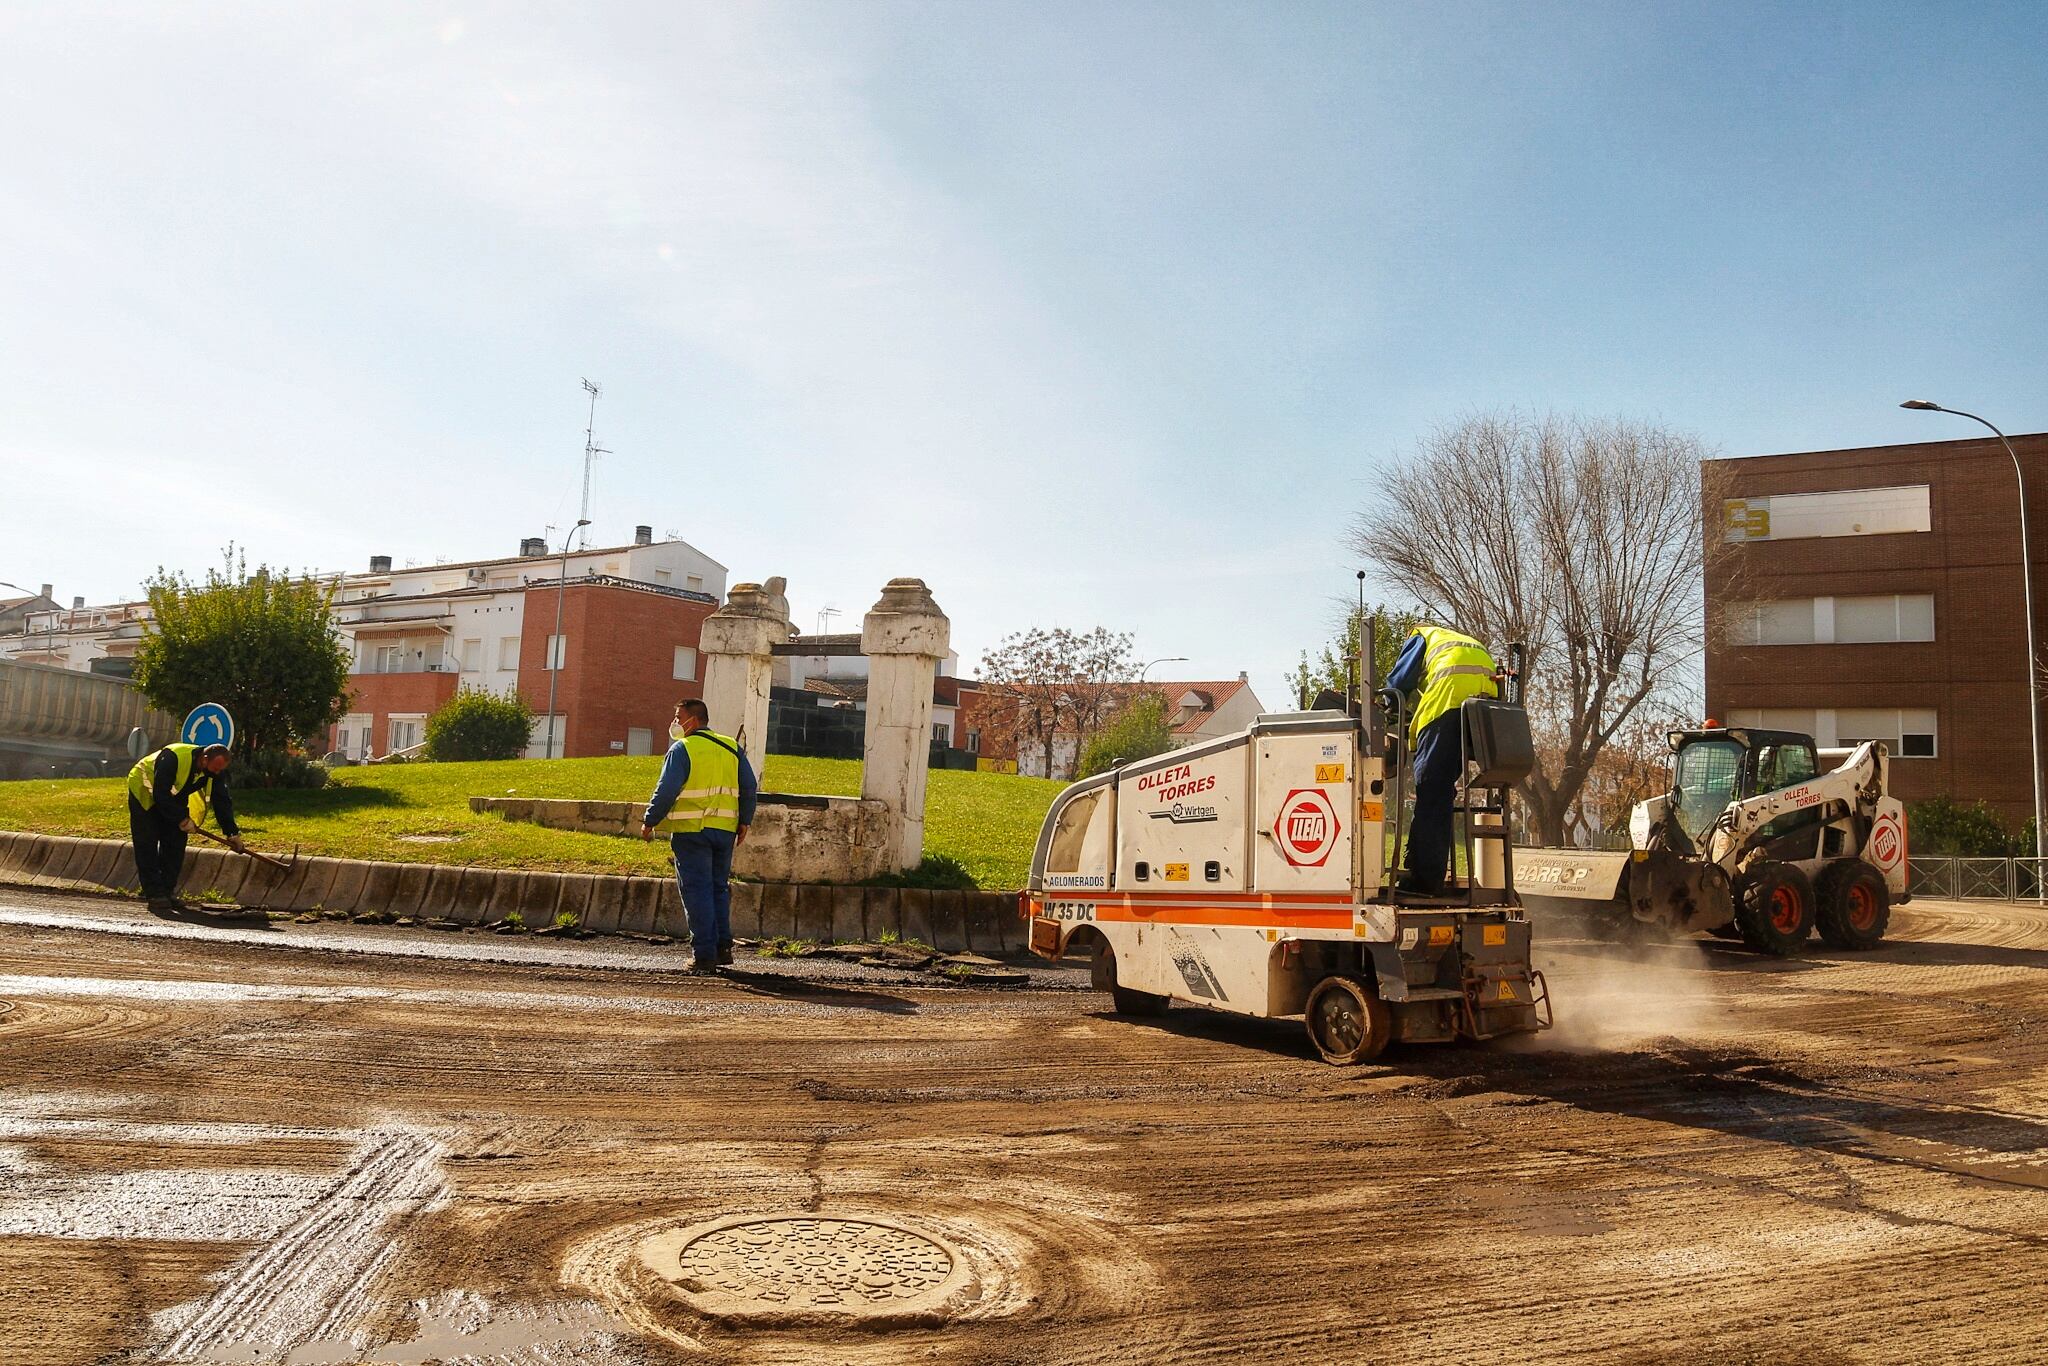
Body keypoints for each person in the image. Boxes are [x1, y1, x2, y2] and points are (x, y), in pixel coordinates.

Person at [640, 699, 758, 971]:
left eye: (679, 717)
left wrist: (650, 820)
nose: (676, 723)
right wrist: (745, 821)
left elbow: (666, 790)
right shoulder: (731, 746)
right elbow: (749, 787)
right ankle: (722, 948)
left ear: (693, 720)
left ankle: (703, 954)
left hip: (692, 831)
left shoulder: (683, 749)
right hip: (725, 831)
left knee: (697, 891)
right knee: (718, 888)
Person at [1386, 624, 1498, 895]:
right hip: (1483, 706)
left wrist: (1387, 707)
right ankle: (1430, 870)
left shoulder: (1419, 636)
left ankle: (1425, 879)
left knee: (1430, 789)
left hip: (1448, 698)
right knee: (1442, 788)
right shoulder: (1463, 640)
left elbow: (1399, 682)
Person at [126, 741, 243, 912]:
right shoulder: (173, 757)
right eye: (215, 768)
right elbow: (160, 793)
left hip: (172, 797)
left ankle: (166, 890)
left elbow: (222, 801)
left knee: (176, 843)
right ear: (204, 759)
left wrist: (232, 832)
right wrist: (182, 819)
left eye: (220, 770)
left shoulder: (214, 772)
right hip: (144, 792)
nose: (217, 773)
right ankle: (154, 893)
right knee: (147, 843)